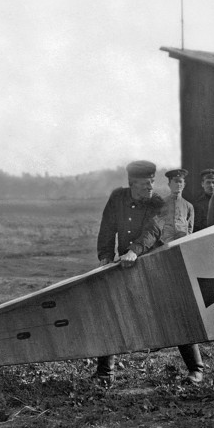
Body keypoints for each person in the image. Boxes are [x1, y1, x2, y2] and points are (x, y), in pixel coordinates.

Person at [92, 160, 165, 386]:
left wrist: (134, 251)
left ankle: (196, 368)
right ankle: (105, 372)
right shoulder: (117, 198)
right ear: (132, 183)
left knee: (170, 309)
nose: (150, 187)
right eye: (145, 183)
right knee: (111, 312)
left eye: (152, 182)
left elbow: (153, 230)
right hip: (125, 263)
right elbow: (107, 228)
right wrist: (105, 257)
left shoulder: (157, 202)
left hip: (153, 261)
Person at [156, 169, 205, 383]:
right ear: (169, 184)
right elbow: (155, 231)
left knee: (183, 304)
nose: (178, 185)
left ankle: (195, 366)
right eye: (175, 182)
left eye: (181, 182)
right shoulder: (160, 205)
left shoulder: (189, 207)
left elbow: (191, 232)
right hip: (162, 256)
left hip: (181, 257)